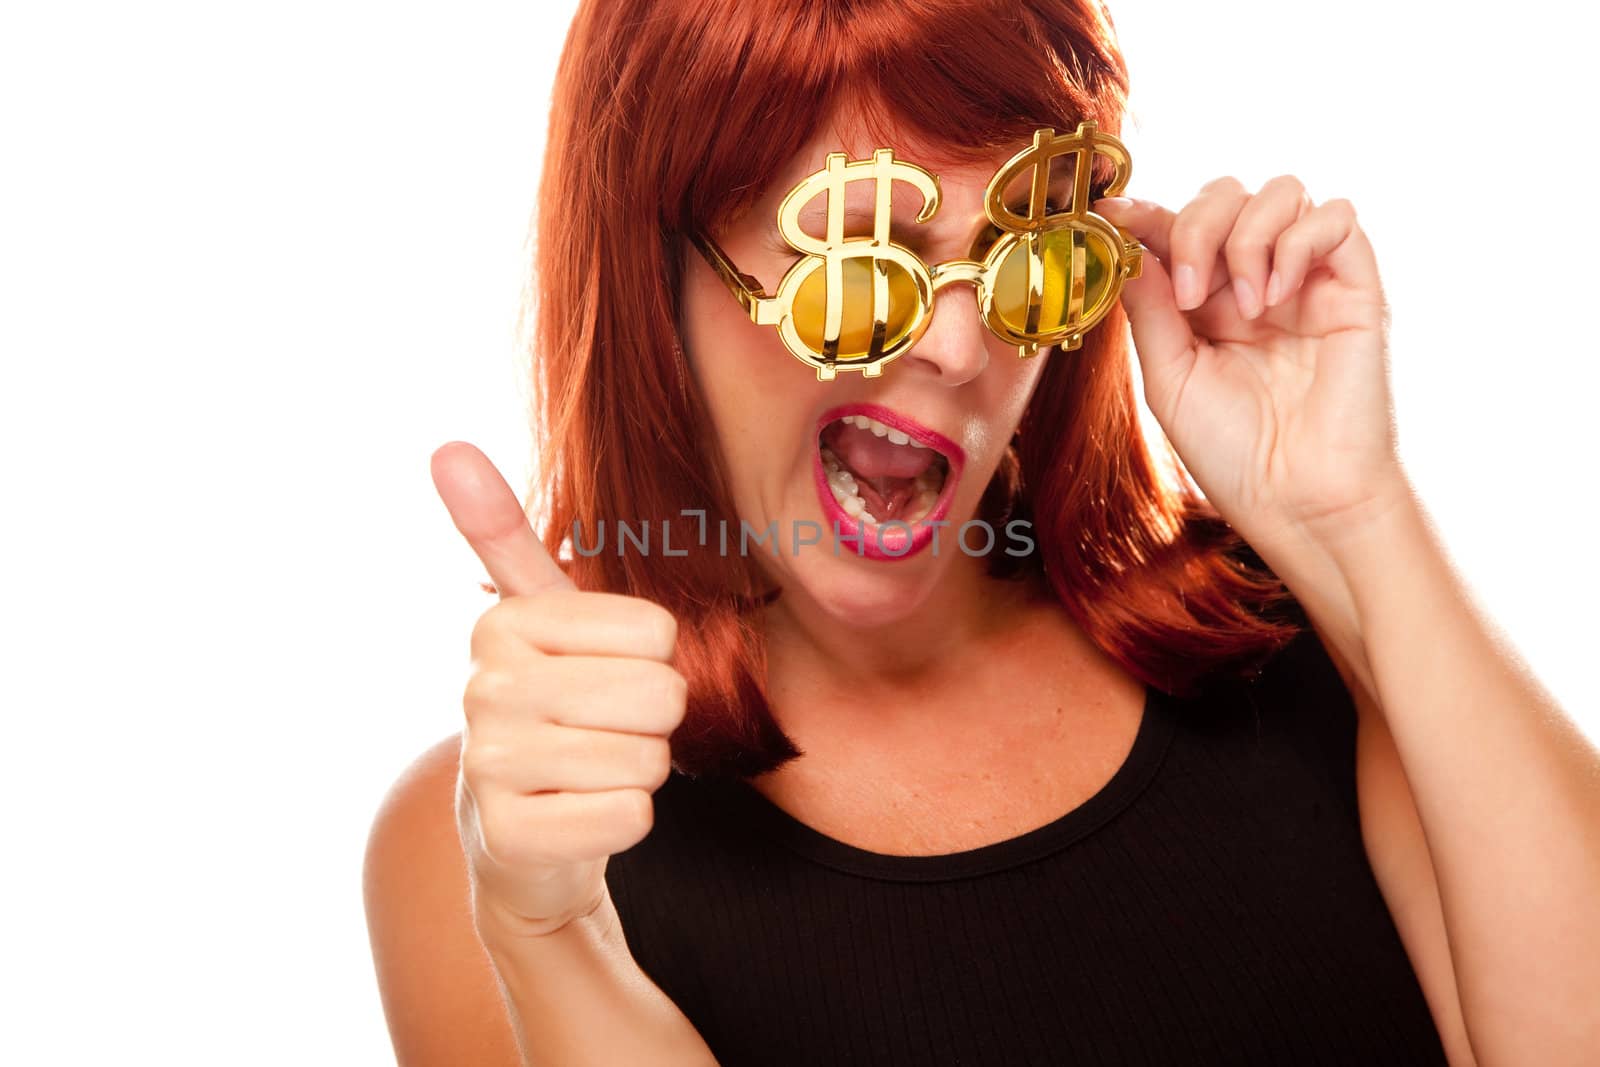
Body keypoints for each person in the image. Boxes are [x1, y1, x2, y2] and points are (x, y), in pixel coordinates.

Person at [362, 1, 1600, 1064]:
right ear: (660, 281)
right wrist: (550, 934)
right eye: (857, 257)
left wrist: (1354, 515)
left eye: (1023, 254)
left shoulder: (1296, 639)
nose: (961, 349)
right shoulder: (502, 844)